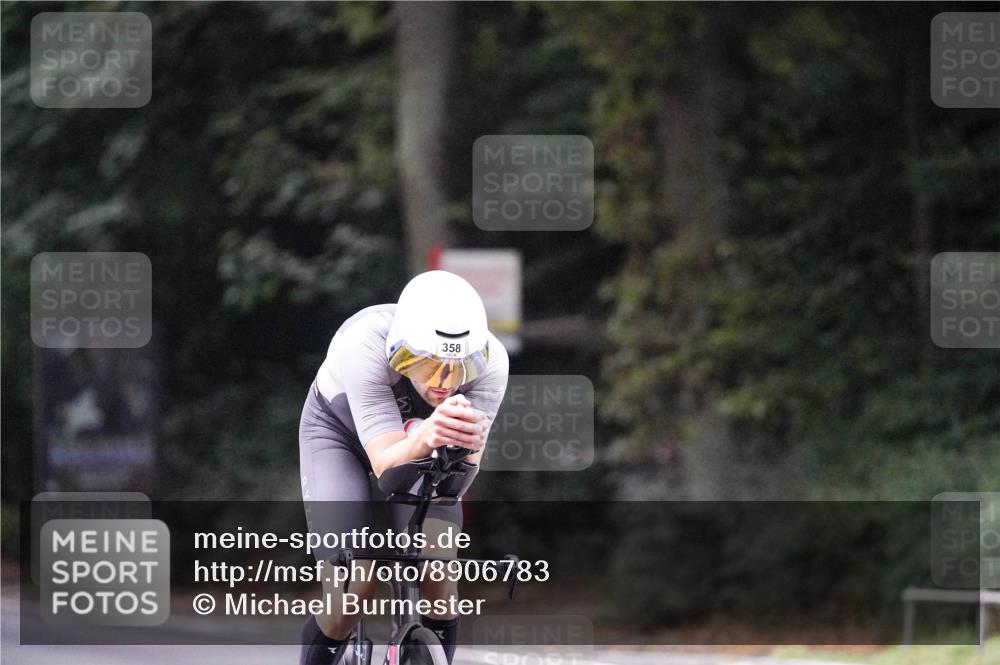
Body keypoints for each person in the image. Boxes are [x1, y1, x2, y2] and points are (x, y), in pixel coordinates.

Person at [298, 270, 509, 665]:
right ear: (402, 352)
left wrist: (459, 448)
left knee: (440, 576)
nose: (444, 383)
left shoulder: (492, 361)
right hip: (337, 436)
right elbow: (386, 464)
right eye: (429, 365)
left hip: (420, 442)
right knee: (352, 589)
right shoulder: (364, 345)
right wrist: (425, 435)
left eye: (459, 367)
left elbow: (455, 484)